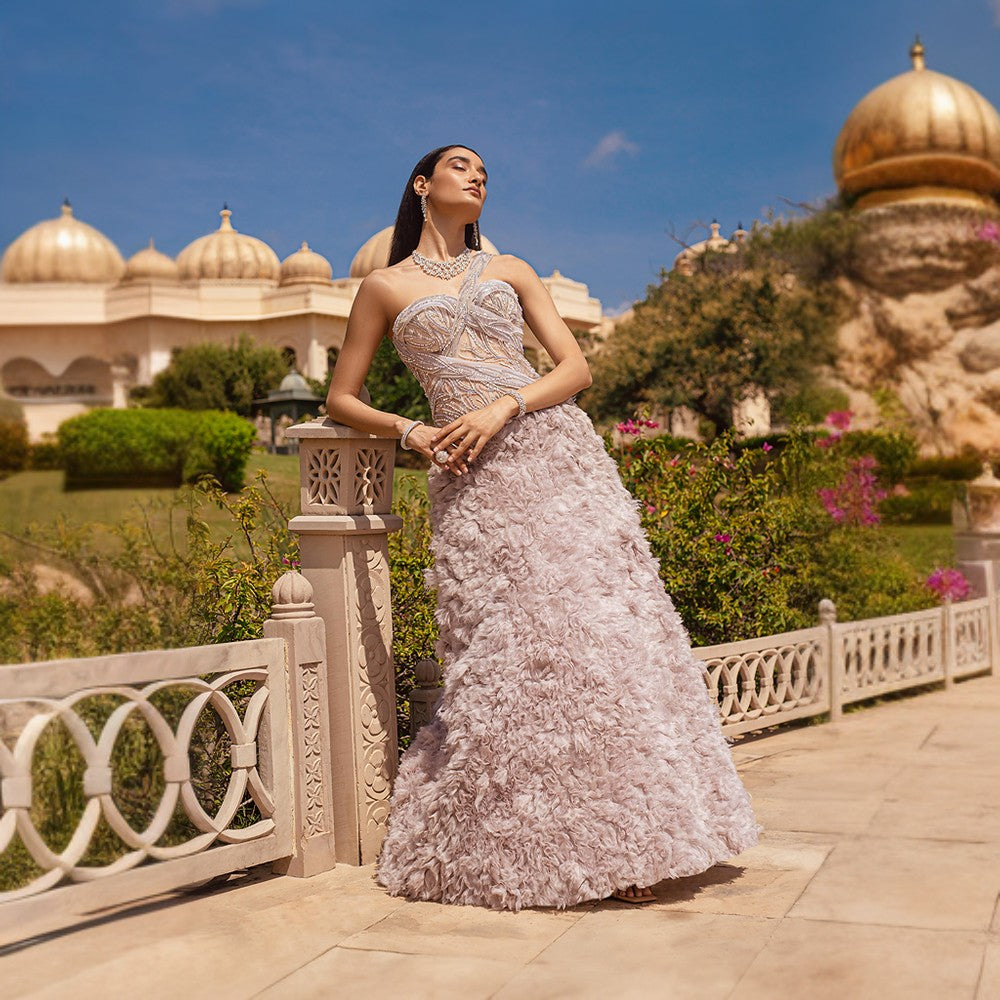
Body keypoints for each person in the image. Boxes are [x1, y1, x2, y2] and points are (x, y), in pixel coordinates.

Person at [325, 144, 762, 912]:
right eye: (462, 165)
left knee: (597, 641)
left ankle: (633, 842)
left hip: (554, 457)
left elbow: (574, 368)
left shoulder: (513, 270)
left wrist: (506, 404)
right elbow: (340, 397)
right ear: (422, 185)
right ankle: (533, 843)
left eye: (486, 170)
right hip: (469, 478)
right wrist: (409, 429)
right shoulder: (383, 287)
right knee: (511, 652)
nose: (479, 175)